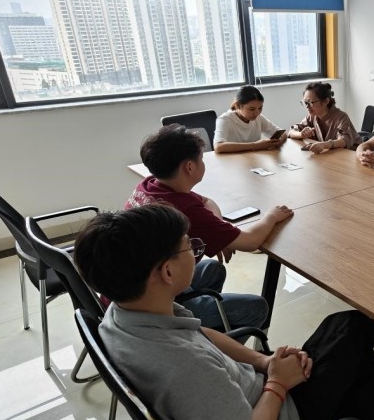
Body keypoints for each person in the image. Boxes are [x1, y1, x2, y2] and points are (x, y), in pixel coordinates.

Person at [74, 203, 374, 420]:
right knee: (352, 329)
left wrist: (264, 361)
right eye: (189, 246)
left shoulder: (126, 312)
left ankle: (373, 409)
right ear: (167, 272)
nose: (195, 252)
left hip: (252, 391)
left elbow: (199, 332)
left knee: (339, 328)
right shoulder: (185, 368)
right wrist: (277, 384)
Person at [125, 123, 294, 331]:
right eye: (202, 159)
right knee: (257, 307)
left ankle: (206, 327)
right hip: (149, 309)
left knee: (213, 269)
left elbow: (206, 201)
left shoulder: (151, 184)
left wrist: (218, 232)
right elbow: (251, 241)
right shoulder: (185, 208)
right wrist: (271, 216)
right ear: (189, 167)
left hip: (136, 285)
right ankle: (205, 341)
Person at [288, 82, 362, 154]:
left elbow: (344, 140)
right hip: (331, 154)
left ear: (326, 101)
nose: (307, 106)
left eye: (310, 103)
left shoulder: (341, 117)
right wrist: (301, 134)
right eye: (305, 103)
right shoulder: (312, 116)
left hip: (352, 154)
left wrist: (324, 145)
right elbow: (291, 131)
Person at [213, 85, 288, 153]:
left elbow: (282, 133)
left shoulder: (258, 118)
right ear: (238, 105)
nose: (257, 113)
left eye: (260, 108)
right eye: (252, 109)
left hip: (253, 159)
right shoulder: (225, 120)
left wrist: (279, 141)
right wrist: (255, 145)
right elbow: (218, 147)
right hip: (232, 160)